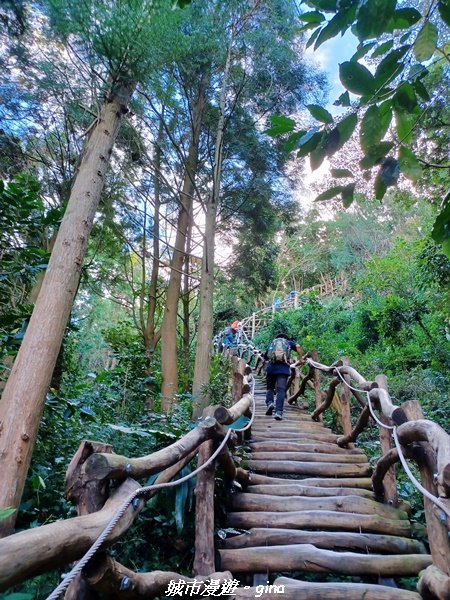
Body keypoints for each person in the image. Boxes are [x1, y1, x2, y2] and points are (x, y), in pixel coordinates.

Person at [264, 333, 303, 420]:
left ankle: (270, 403)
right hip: (283, 369)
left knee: (270, 388)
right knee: (281, 390)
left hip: (271, 369)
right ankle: (278, 412)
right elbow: (298, 346)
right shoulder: (288, 342)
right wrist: (301, 359)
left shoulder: (272, 343)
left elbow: (266, 356)